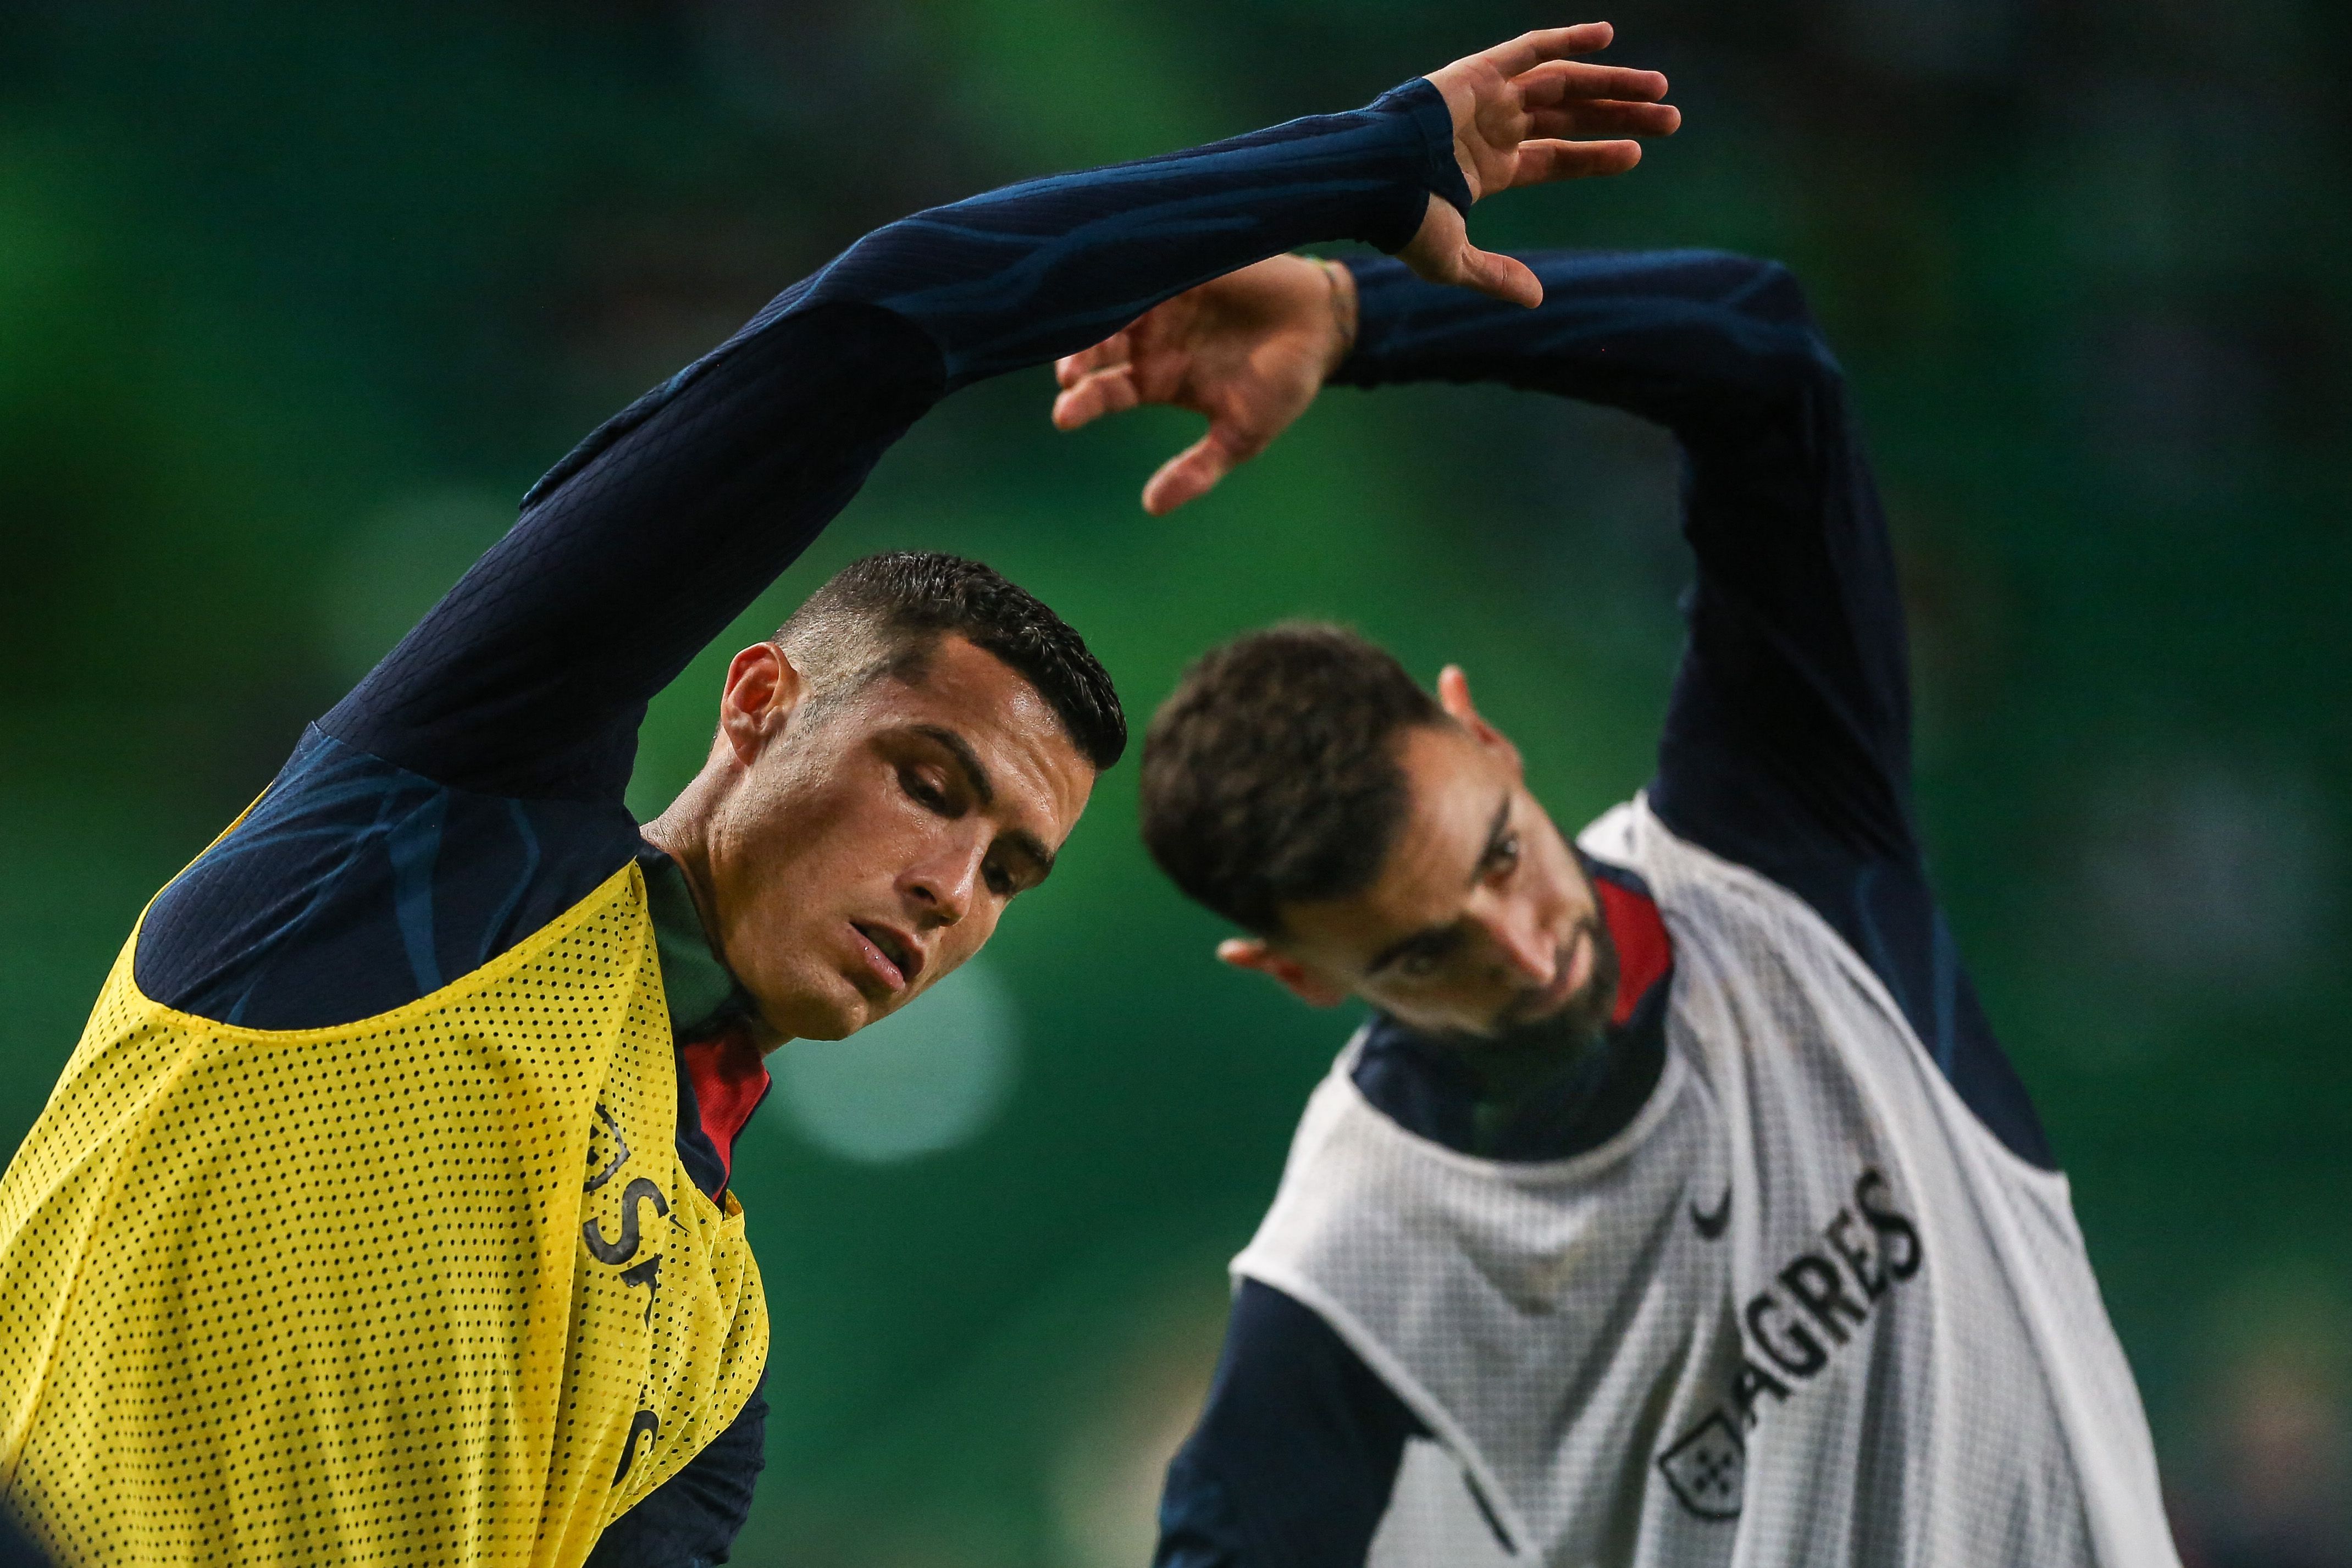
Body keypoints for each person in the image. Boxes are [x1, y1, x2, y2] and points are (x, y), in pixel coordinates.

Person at [0, 24, 1677, 1568]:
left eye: (1011, 864)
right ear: (758, 702)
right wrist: (1356, 165)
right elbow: (873, 328)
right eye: (929, 782)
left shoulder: (712, 1368)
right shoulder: (437, 839)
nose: (954, 883)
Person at [1051, 251, 2183, 1557]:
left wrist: (1367, 317)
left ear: (1487, 737)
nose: (1527, 951)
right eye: (1427, 957)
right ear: (1296, 972)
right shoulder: (1358, 1256)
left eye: (1498, 859)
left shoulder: (1777, 837)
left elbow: (1759, 350)